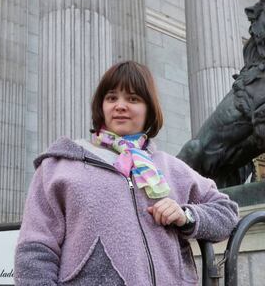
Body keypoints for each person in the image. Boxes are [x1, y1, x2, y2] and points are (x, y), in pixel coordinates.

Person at [14, 61, 239, 286]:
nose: (120, 106)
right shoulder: (59, 166)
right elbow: (35, 250)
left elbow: (226, 213)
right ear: (101, 106)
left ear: (149, 108)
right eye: (112, 98)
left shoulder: (170, 167)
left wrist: (186, 216)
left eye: (133, 99)